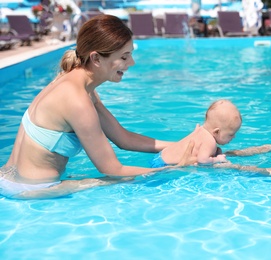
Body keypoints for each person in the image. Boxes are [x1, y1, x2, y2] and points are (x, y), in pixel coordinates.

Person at [0, 15, 195, 200]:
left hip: (7, 180)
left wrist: (183, 145)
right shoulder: (76, 100)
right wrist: (175, 168)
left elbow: (123, 138)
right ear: (96, 58)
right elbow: (113, 170)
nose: (132, 63)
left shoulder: (74, 83)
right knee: (125, 181)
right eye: (124, 57)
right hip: (33, 191)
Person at [150, 99, 242, 167]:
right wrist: (217, 159)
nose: (234, 137)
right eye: (231, 134)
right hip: (164, 165)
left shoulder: (200, 130)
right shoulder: (210, 141)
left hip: (160, 156)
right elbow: (202, 160)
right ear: (216, 131)